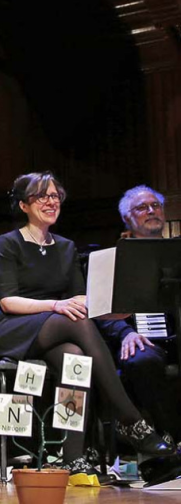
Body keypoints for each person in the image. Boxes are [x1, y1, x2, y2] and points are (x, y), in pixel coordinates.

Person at [0, 172, 173, 474]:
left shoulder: (66, 247)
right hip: (9, 327)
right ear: (24, 205)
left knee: (76, 357)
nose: (51, 201)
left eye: (55, 196)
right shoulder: (9, 242)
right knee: (75, 321)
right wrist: (56, 305)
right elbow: (8, 302)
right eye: (42, 196)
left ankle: (72, 455)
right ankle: (131, 420)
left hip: (52, 329)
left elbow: (81, 301)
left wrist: (112, 313)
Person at [97, 185, 180, 443]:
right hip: (141, 339)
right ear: (127, 218)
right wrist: (125, 333)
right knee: (140, 361)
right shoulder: (112, 259)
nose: (151, 211)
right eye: (142, 207)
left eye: (156, 205)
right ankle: (170, 438)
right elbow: (99, 311)